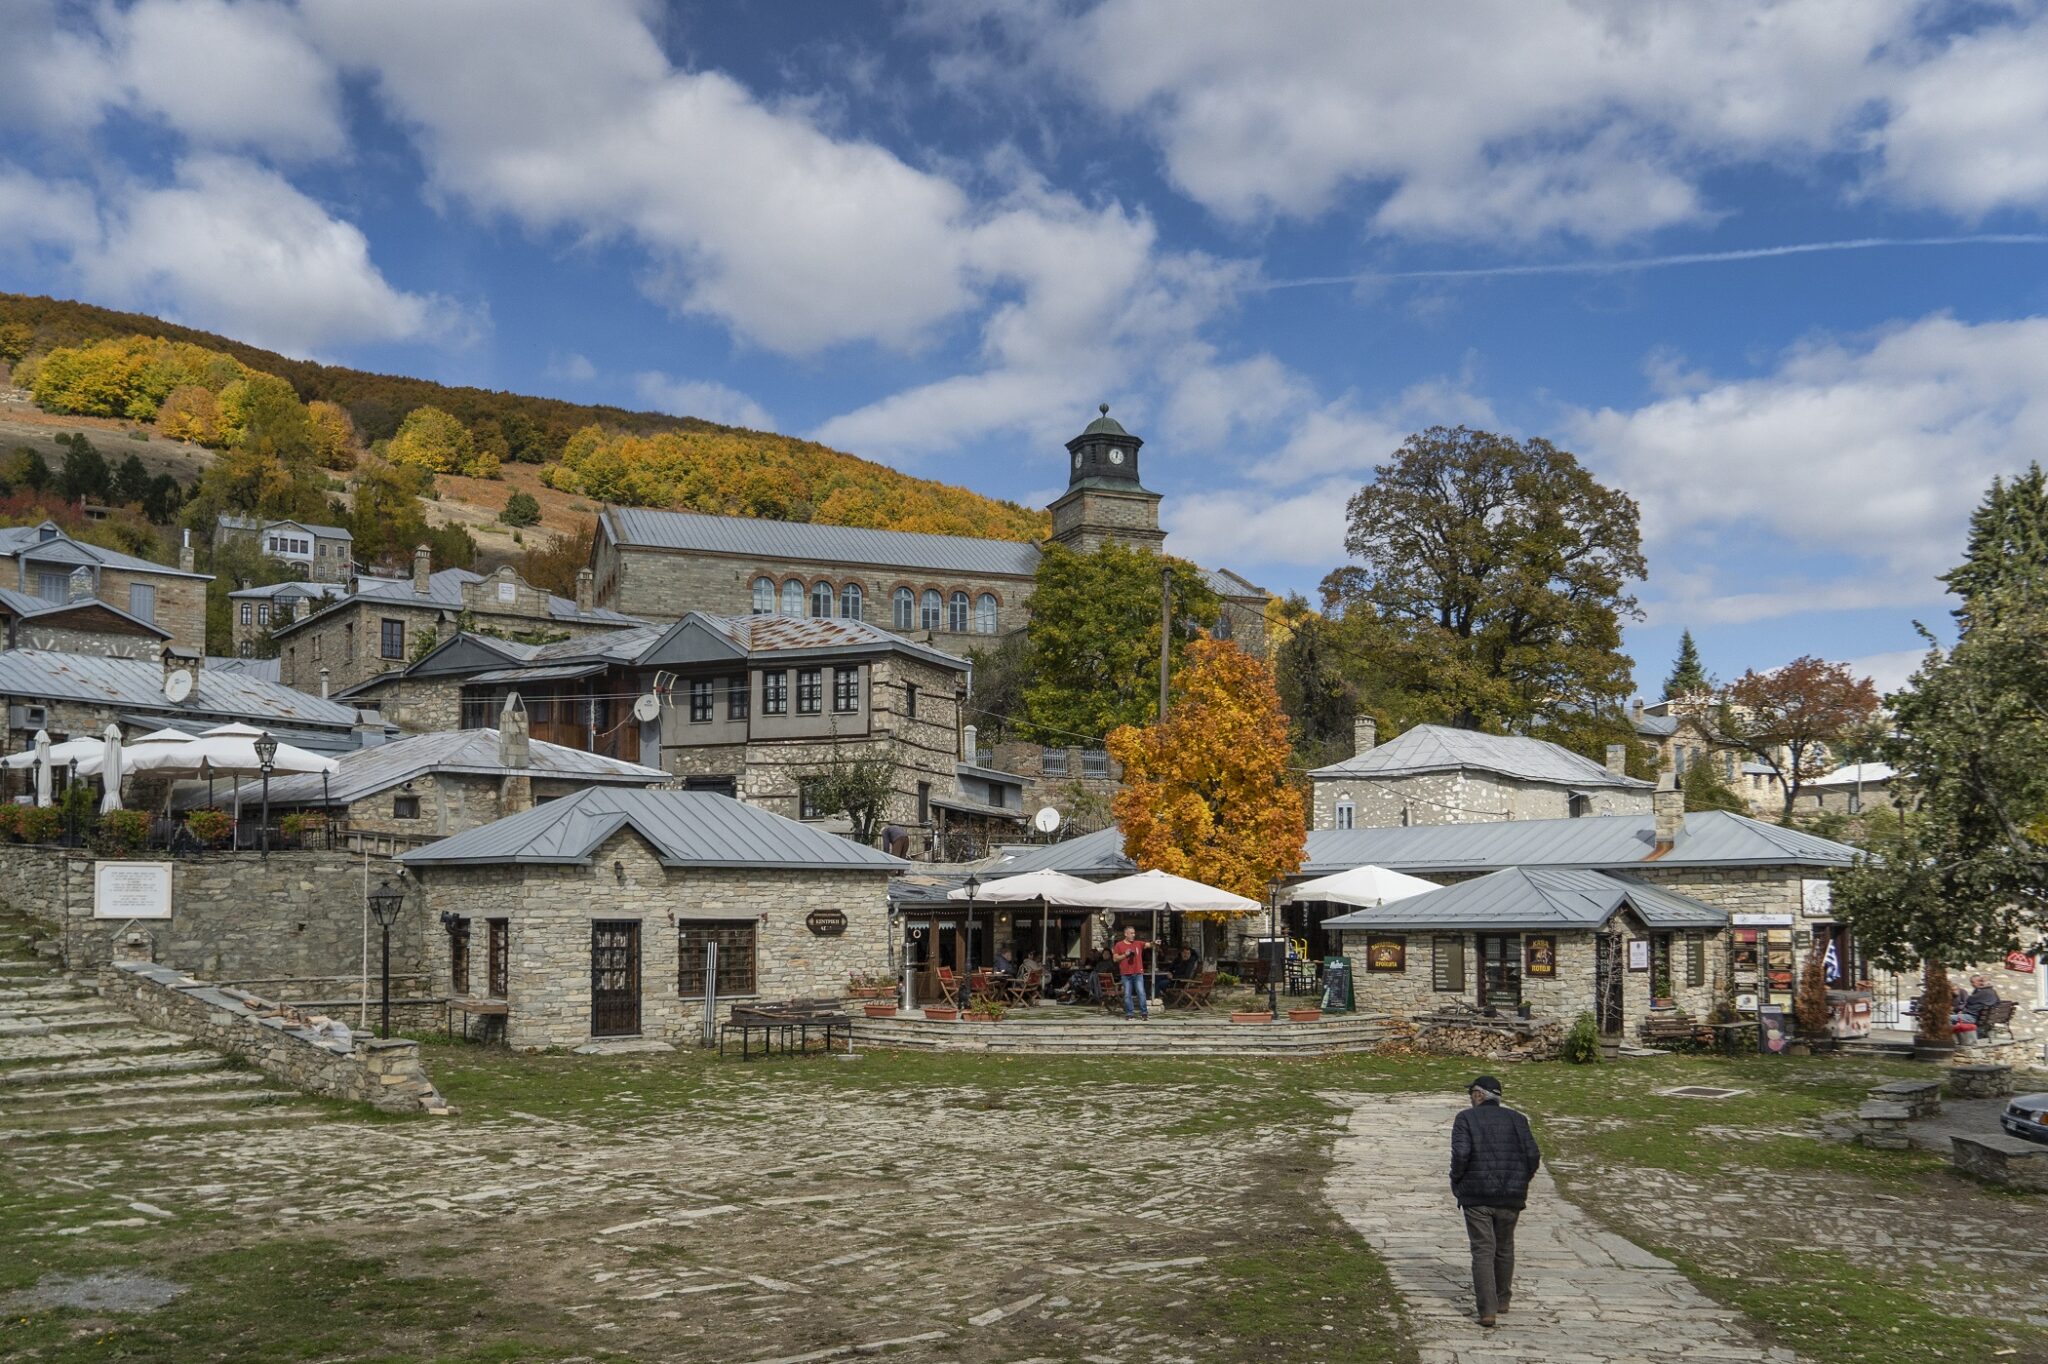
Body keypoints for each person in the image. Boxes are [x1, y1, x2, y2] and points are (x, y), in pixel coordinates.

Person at [1449, 1075, 1542, 1329]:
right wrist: (1522, 1179)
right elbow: (1533, 1155)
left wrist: (1456, 1179)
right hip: (1511, 1195)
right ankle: (1502, 1300)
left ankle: (1487, 1311)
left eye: (1471, 1095)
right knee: (1504, 1247)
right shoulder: (1518, 1119)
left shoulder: (1465, 1118)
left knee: (1482, 1249)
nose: (1470, 1099)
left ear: (1479, 1095)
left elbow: (1461, 1154)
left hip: (1477, 1195)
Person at [1111, 925, 1151, 1020]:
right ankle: (1130, 1014)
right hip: (1126, 974)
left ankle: (1144, 1013)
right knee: (1127, 994)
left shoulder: (1138, 943)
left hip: (1138, 973)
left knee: (1141, 993)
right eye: (1131, 933)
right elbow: (1115, 959)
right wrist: (1125, 955)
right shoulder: (1119, 945)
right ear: (1126, 934)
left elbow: (1148, 945)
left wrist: (1155, 943)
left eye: (1134, 933)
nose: (1134, 935)